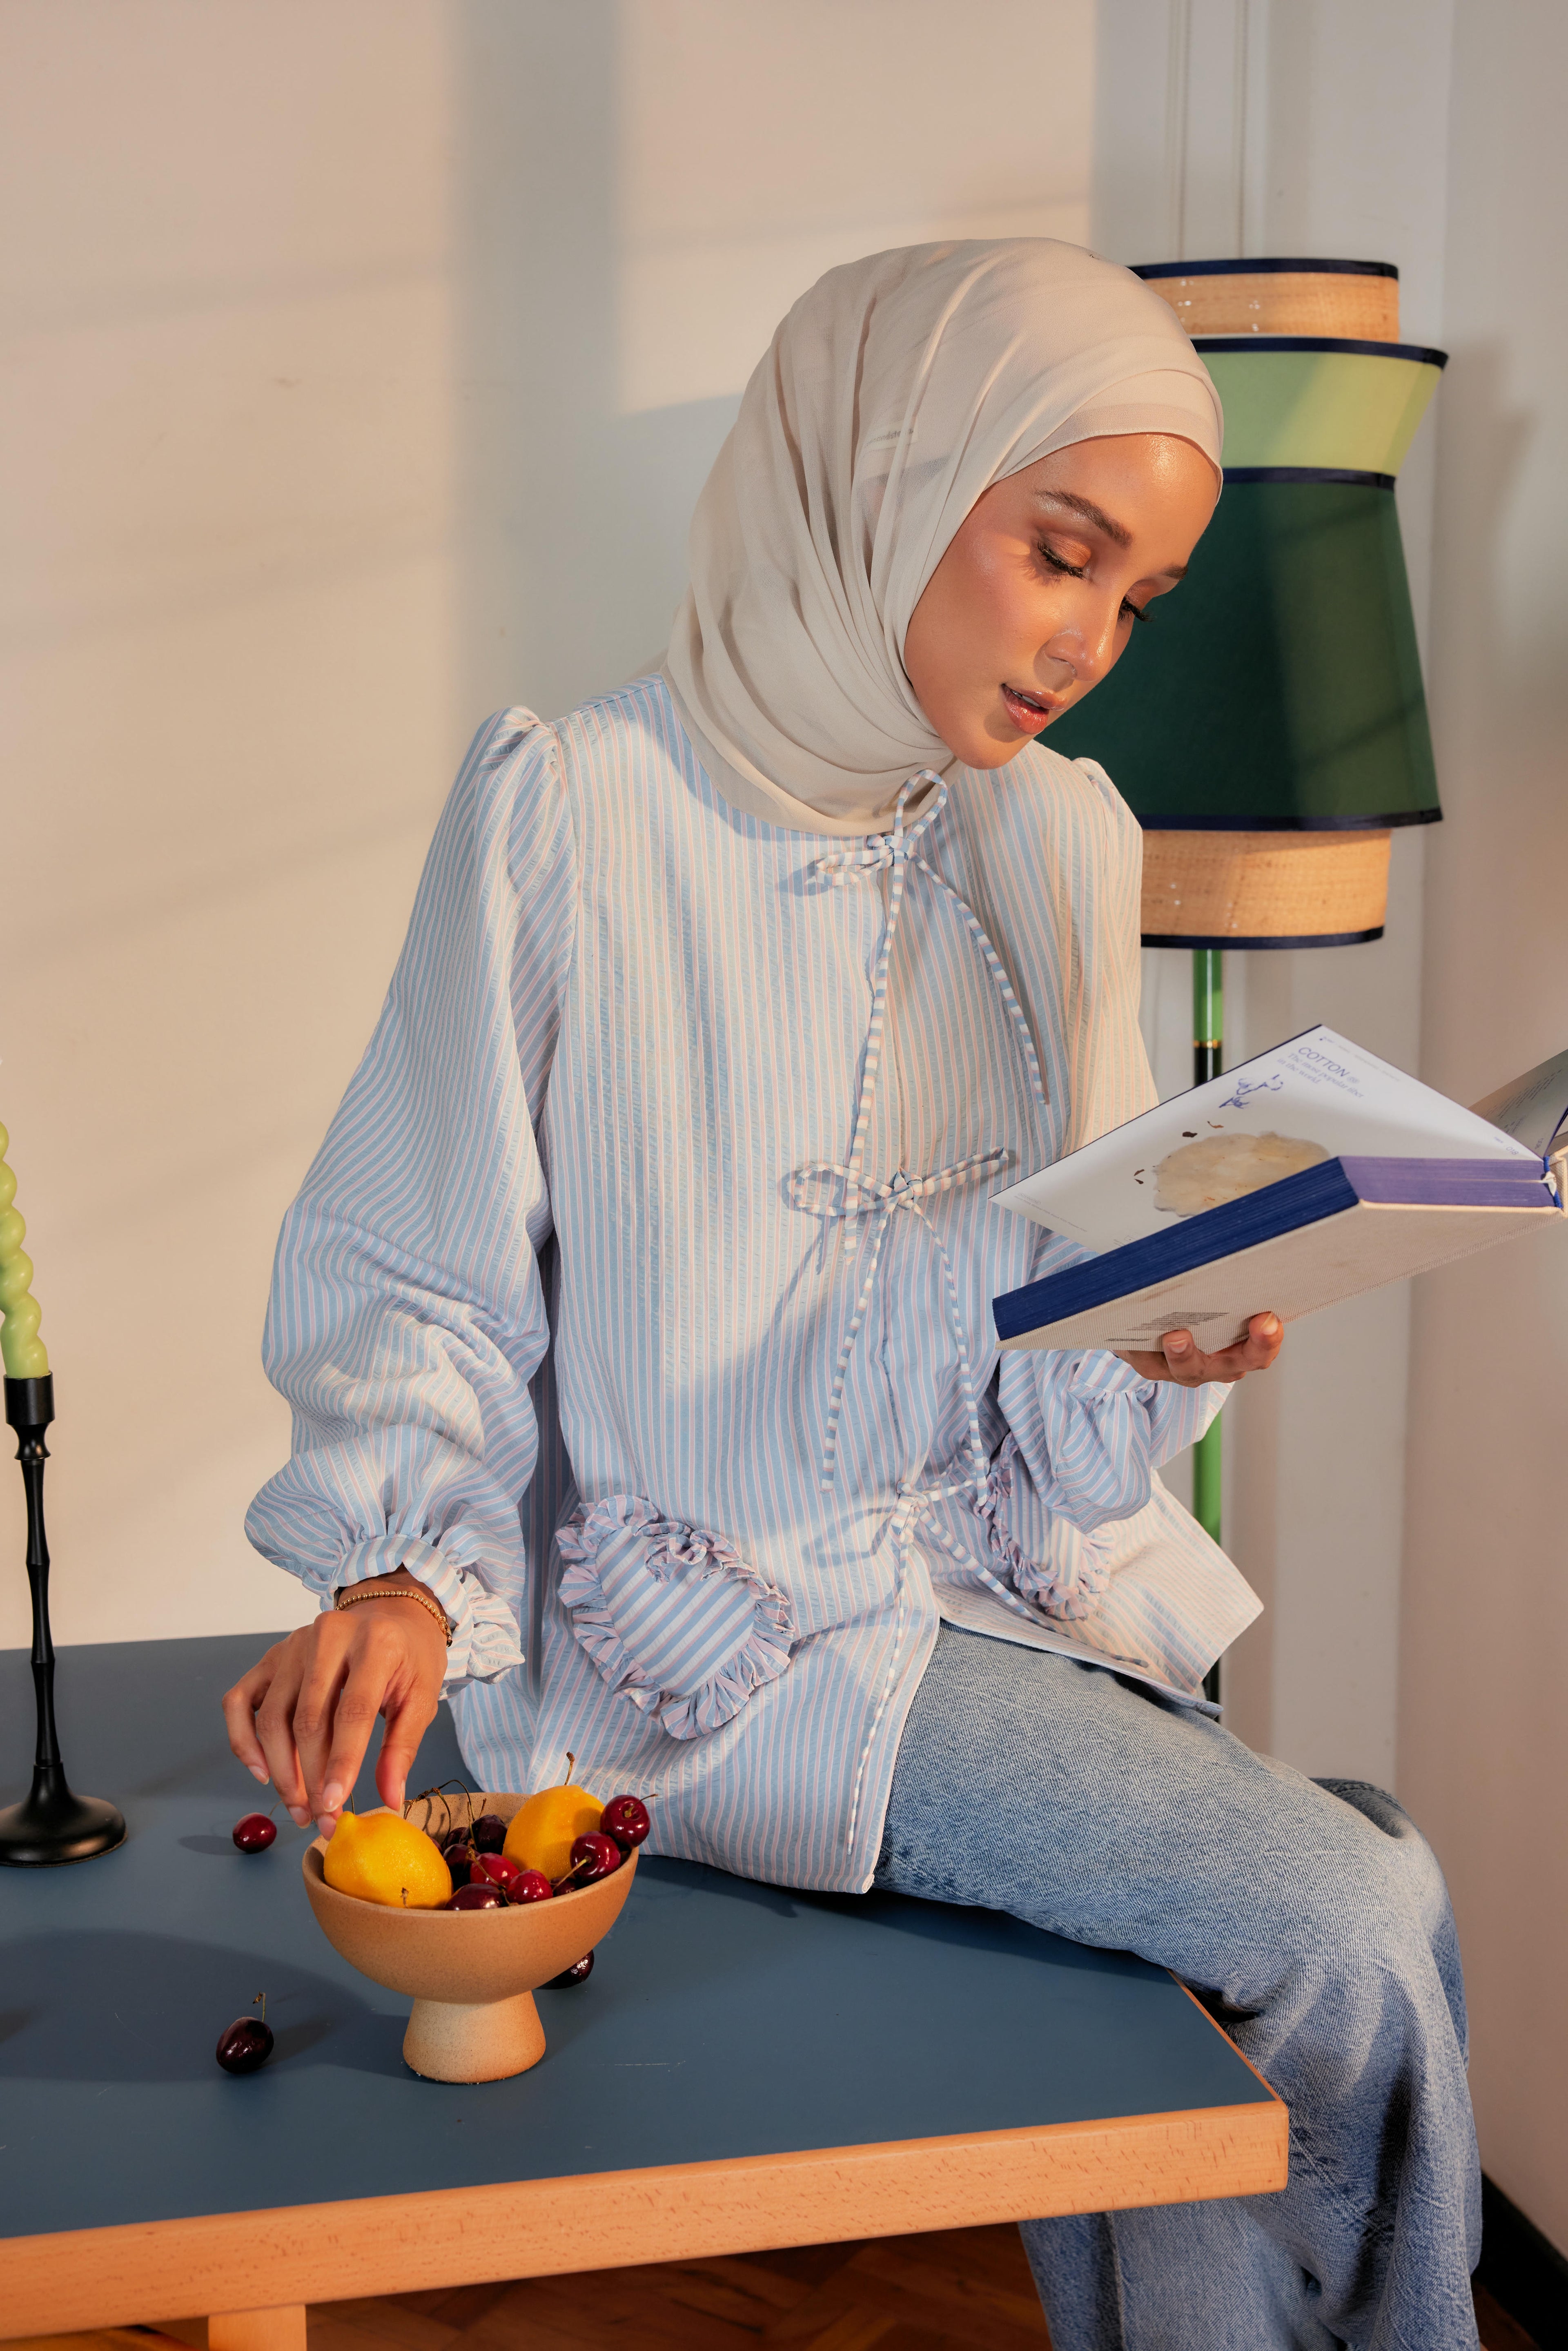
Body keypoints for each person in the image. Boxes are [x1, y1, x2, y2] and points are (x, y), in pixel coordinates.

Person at [223, 242, 1479, 2348]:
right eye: (1059, 553)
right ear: (880, 475)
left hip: (1000, 1600)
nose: (1086, 643)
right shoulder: (577, 808)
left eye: (1138, 599)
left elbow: (1060, 1332)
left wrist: (1154, 1340)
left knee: (1350, 1884)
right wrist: (402, 1571)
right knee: (1349, 1908)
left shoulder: (1062, 841)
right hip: (727, 1648)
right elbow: (420, 1253)